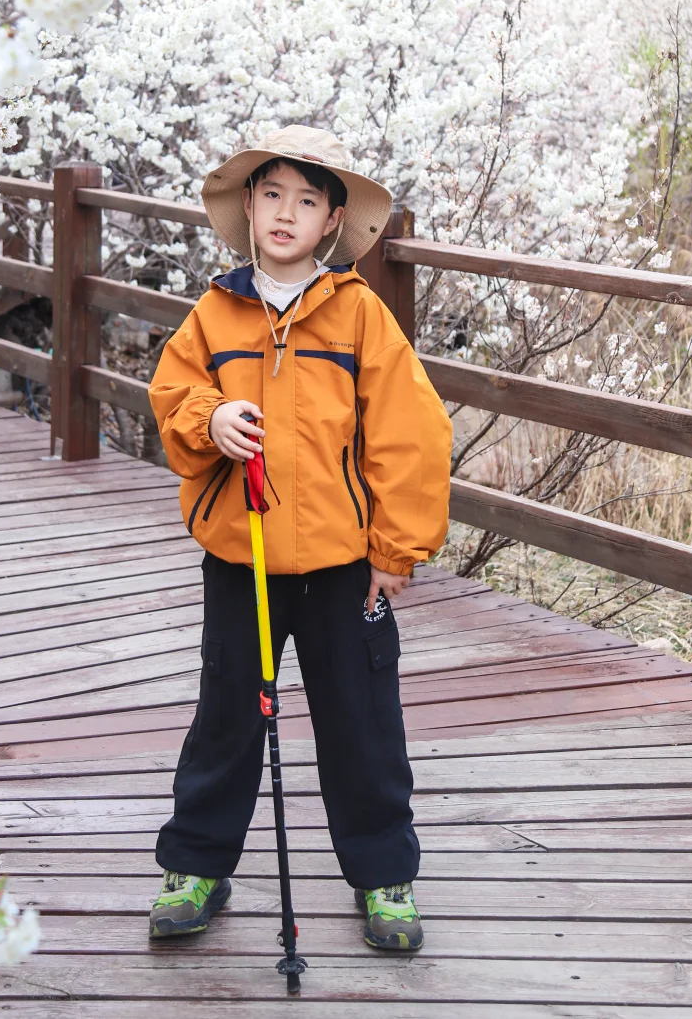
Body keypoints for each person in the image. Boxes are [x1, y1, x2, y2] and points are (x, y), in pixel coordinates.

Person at [146, 124, 452, 952]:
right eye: (272, 195)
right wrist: (213, 417)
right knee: (227, 716)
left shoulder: (360, 317)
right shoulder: (214, 312)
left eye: (307, 201)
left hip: (343, 566)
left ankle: (385, 872)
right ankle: (198, 865)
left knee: (362, 722)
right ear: (249, 206)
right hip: (239, 557)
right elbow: (173, 400)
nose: (287, 213)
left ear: (331, 221)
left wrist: (395, 549)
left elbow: (408, 436)